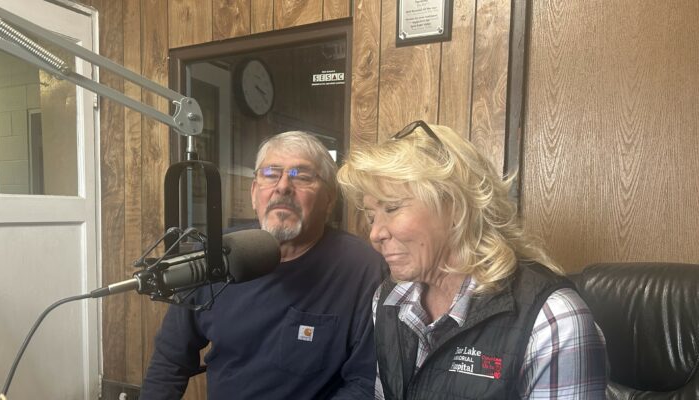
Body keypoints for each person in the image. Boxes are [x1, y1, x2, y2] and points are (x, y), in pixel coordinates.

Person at [336, 121, 607, 399]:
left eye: (392, 208)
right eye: (371, 217)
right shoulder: (388, 299)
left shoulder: (553, 320)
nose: (375, 233)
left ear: (456, 204)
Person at [140, 131, 386, 399]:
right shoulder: (213, 257)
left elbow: (365, 384)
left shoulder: (363, 268)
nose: (283, 186)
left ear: (329, 200)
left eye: (302, 176)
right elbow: (170, 360)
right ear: (254, 193)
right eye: (270, 174)